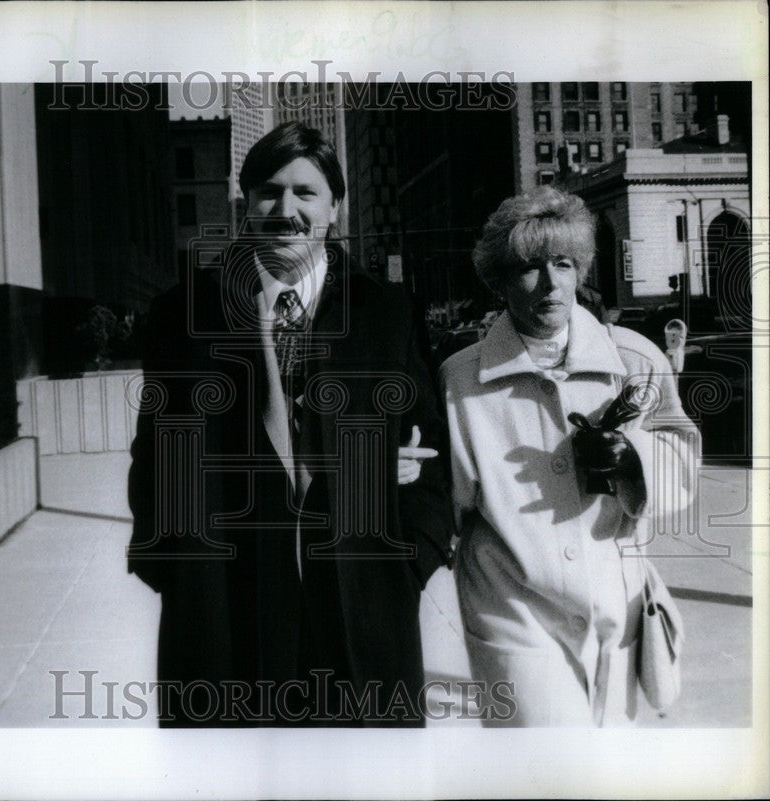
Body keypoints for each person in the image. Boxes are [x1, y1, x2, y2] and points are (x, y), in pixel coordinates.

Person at [127, 122, 454, 727]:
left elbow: (433, 454)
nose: (286, 210)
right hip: (229, 610)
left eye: (306, 192)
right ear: (244, 205)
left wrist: (410, 563)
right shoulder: (183, 315)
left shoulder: (386, 313)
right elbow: (153, 460)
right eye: (268, 192)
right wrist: (173, 570)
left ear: (335, 206)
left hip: (361, 609)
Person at [439, 187, 699, 726]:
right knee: (548, 764)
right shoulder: (459, 378)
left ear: (580, 269)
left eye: (563, 263)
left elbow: (681, 454)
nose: (551, 283)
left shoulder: (633, 356)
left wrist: (634, 459)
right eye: (529, 267)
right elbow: (451, 500)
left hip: (616, 602)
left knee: (607, 764)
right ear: (500, 281)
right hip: (510, 606)